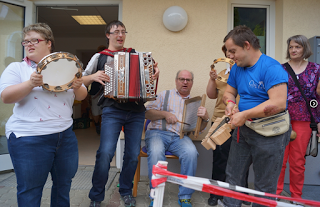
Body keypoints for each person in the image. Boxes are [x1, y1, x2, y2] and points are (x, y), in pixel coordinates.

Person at [0, 23, 87, 207]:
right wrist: (30, 84)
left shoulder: (67, 65)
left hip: (65, 137)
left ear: (49, 43)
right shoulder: (17, 68)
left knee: (63, 187)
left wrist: (78, 86)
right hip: (29, 138)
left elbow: (82, 95)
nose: (29, 44)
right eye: (26, 41)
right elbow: (6, 97)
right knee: (30, 191)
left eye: (35, 40)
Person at [82, 20, 159, 207]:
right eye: (116, 32)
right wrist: (93, 77)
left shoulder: (137, 57)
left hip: (136, 111)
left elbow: (148, 84)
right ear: (108, 35)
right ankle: (96, 196)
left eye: (123, 32)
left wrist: (154, 74)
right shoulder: (100, 57)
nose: (120, 35)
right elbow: (81, 80)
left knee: (132, 154)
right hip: (112, 109)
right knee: (106, 153)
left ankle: (125, 191)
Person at [222, 25, 291, 207]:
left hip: (270, 134)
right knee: (233, 176)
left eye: (232, 51)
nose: (229, 56)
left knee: (264, 185)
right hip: (243, 131)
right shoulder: (237, 67)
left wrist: (244, 114)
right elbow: (229, 92)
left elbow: (278, 103)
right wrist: (230, 104)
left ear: (246, 45)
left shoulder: (271, 67)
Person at [145, 70, 209, 207]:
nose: (185, 82)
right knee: (156, 153)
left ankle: (185, 196)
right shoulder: (164, 95)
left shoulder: (194, 103)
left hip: (179, 137)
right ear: (176, 81)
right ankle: (155, 194)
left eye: (188, 80)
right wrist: (165, 113)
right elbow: (147, 113)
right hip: (157, 133)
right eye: (182, 79)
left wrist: (205, 118)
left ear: (192, 83)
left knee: (191, 153)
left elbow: (200, 129)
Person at [276, 35, 320, 201]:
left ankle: (296, 198)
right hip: (281, 118)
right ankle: (275, 194)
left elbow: (317, 99)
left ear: (305, 49)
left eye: (297, 47)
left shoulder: (316, 69)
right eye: (291, 47)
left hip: (304, 120)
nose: (293, 50)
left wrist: (318, 121)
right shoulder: (280, 68)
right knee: (279, 160)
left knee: (297, 162)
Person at [206, 45, 250, 206]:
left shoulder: (248, 73)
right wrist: (212, 79)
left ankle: (242, 192)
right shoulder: (222, 75)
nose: (231, 56)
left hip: (243, 120)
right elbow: (211, 95)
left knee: (243, 158)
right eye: (228, 54)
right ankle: (216, 193)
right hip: (221, 119)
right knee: (220, 158)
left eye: (233, 53)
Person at [88, 45, 107, 134]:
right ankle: (97, 126)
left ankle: (100, 127)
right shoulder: (97, 59)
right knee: (96, 111)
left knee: (101, 111)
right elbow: (87, 76)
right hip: (96, 91)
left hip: (103, 91)